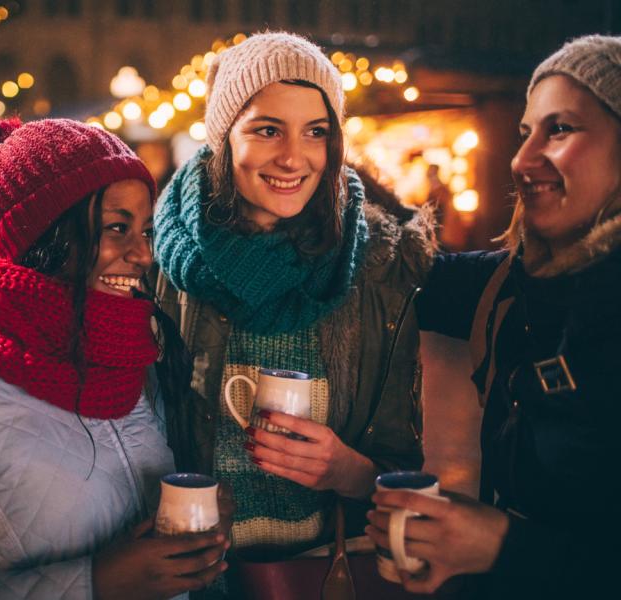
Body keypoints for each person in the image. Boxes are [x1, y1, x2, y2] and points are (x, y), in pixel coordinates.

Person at [0, 118, 233, 599]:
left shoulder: (137, 364)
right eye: (117, 228)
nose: (142, 254)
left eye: (146, 230)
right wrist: (94, 583)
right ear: (45, 238)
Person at [153, 31, 436, 585]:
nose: (293, 156)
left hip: (318, 570)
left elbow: (400, 462)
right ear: (223, 137)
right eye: (266, 129)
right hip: (187, 575)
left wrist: (348, 473)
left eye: (316, 132)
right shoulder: (159, 262)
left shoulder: (377, 268)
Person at [367, 35, 621, 599]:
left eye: (560, 129)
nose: (523, 160)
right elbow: (403, 261)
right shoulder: (517, 280)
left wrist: (504, 545)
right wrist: (316, 163)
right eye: (525, 133)